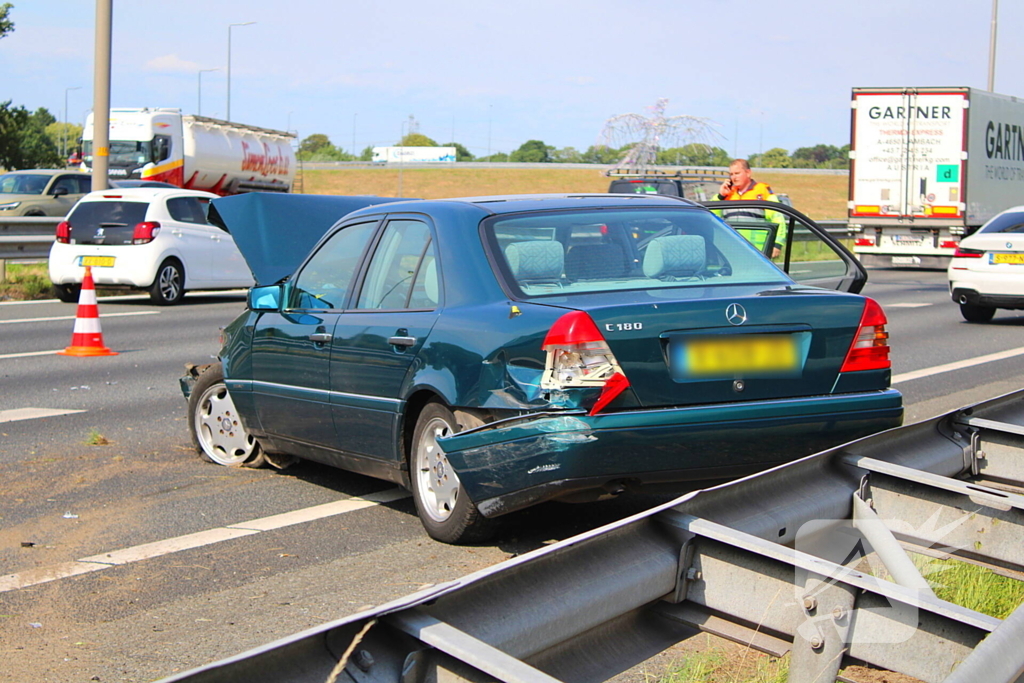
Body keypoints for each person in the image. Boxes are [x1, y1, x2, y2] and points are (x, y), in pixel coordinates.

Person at [716, 159, 788, 258]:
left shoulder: (762, 191)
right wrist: (721, 196)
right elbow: (709, 215)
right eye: (731, 174)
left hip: (758, 251)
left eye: (737, 173)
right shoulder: (727, 194)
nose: (734, 177)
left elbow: (778, 218)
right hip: (732, 250)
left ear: (748, 173)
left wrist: (777, 244)